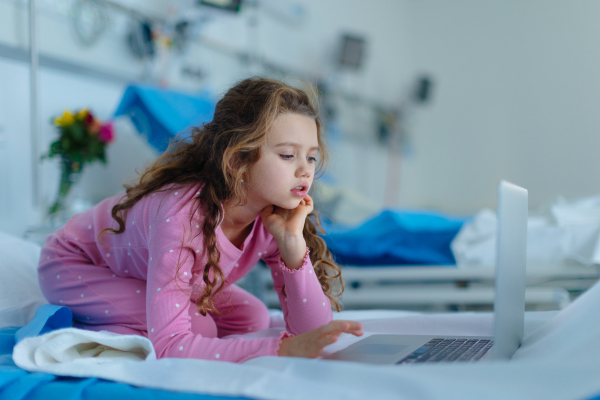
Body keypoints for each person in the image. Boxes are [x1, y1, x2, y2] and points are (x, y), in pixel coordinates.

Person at [37, 77, 363, 363]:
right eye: (288, 155)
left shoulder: (274, 218)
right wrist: (280, 350)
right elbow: (171, 346)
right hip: (74, 264)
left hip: (142, 272)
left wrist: (293, 245)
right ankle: (96, 326)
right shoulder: (182, 218)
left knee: (254, 317)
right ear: (237, 161)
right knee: (200, 326)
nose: (305, 169)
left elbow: (316, 333)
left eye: (311, 157)